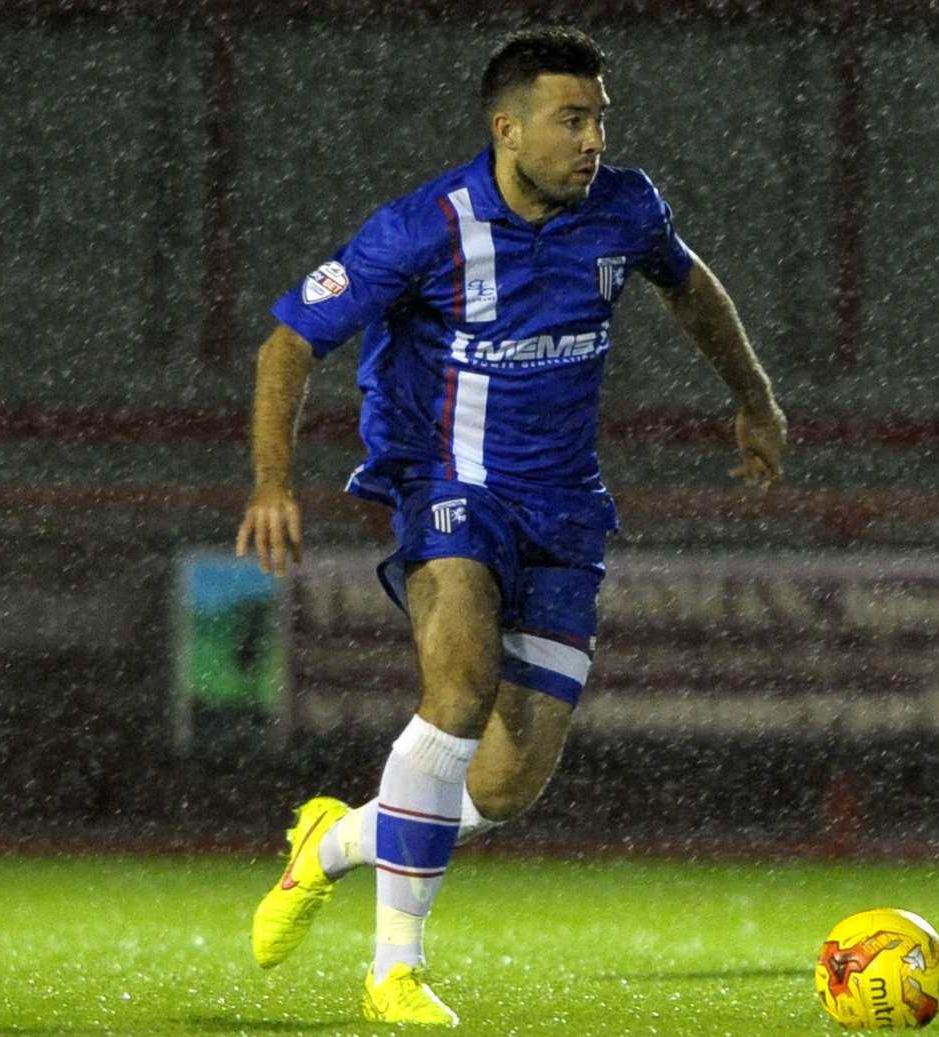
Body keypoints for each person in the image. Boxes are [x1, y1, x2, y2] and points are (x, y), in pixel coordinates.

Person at [235, 27, 788, 1025]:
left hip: (566, 508)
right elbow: (288, 342)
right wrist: (272, 481)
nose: (592, 140)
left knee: (498, 787)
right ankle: (393, 969)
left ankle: (328, 843)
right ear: (508, 128)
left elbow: (689, 285)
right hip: (448, 487)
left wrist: (749, 395)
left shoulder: (625, 206)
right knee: (458, 681)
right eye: (571, 120)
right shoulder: (422, 228)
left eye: (599, 119)